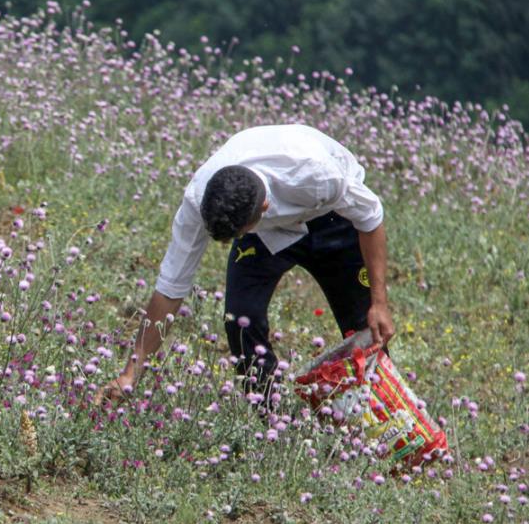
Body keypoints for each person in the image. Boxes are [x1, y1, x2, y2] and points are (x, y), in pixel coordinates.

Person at [98, 124, 394, 411]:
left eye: (237, 235)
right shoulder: (200, 200)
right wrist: (130, 374)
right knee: (240, 319)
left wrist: (379, 302)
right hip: (264, 236)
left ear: (263, 209)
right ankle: (269, 415)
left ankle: (383, 419)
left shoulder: (315, 173)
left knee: (365, 327)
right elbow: (170, 288)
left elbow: (370, 218)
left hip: (332, 218)